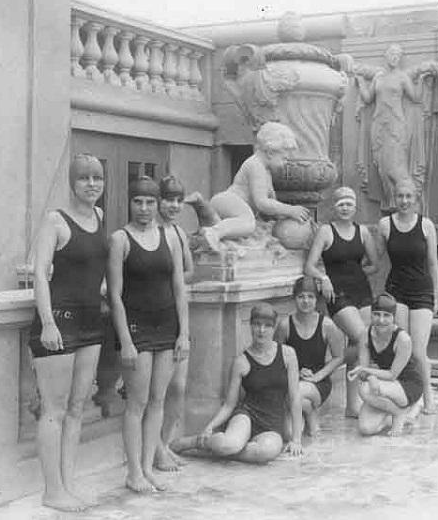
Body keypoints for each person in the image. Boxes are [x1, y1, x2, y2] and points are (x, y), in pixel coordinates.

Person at [28, 154, 107, 511]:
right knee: (53, 410)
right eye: (84, 178)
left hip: (91, 322)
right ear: (72, 183)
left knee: (78, 407)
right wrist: (47, 323)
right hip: (58, 322)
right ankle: (52, 490)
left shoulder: (100, 217)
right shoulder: (54, 221)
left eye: (97, 178)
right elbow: (40, 274)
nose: (92, 184)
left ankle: (67, 484)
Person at [107, 176, 189, 493]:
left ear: (157, 204)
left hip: (167, 326)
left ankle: (146, 467)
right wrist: (125, 340)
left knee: (158, 400)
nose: (144, 208)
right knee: (137, 403)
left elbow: (180, 289)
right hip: (137, 328)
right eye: (138, 201)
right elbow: (115, 296)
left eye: (150, 202)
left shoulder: (170, 237)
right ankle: (133, 473)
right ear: (130, 203)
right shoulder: (120, 240)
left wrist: (185, 333)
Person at [171, 303, 303, 463]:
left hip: (272, 424)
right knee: (228, 445)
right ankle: (196, 441)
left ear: (274, 328)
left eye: (267, 326)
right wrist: (210, 426)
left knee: (265, 453)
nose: (261, 330)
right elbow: (229, 404)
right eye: (257, 325)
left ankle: (204, 451)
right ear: (250, 326)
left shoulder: (288, 354)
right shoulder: (241, 362)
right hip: (246, 416)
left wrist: (296, 439)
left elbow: (295, 398)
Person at [304, 186, 377, 416]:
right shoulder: (326, 231)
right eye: (341, 204)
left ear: (355, 208)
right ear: (334, 208)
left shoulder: (362, 232)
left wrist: (359, 273)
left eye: (349, 204)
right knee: (362, 338)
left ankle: (352, 406)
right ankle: (330, 368)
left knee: (359, 346)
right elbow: (309, 266)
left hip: (362, 292)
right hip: (337, 294)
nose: (345, 208)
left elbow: (375, 264)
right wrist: (323, 277)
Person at [191, 121, 310, 251]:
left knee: (250, 228)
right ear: (270, 152)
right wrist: (290, 210)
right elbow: (262, 203)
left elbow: (270, 206)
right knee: (248, 223)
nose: (286, 163)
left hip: (234, 208)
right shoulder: (255, 165)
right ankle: (213, 233)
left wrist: (283, 215)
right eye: (284, 158)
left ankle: (202, 207)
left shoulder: (266, 172)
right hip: (227, 201)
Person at [376, 178, 438, 414]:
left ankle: (428, 397)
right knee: (404, 347)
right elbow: (377, 260)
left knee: (420, 351)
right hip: (396, 291)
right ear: (394, 198)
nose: (404, 201)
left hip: (422, 290)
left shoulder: (426, 225)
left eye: (408, 196)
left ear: (416, 199)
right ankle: (407, 396)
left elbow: (433, 264)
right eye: (400, 196)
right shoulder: (384, 225)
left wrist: (436, 296)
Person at [155, 175, 195, 471]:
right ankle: (155, 448)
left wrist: (175, 282)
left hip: (176, 314)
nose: (174, 205)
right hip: (152, 317)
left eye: (179, 200)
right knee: (156, 389)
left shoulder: (179, 233)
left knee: (178, 386)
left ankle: (164, 443)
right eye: (169, 199)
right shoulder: (149, 231)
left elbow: (189, 270)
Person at [356, 43, 427, 210]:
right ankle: (391, 206)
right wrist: (360, 82)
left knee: (395, 168)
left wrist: (422, 80)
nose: (395, 58)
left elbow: (416, 97)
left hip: (396, 125)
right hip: (379, 124)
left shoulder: (402, 77)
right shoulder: (378, 77)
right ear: (386, 56)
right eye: (392, 54)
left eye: (398, 55)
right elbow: (367, 99)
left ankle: (411, 204)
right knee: (382, 168)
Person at [274, 276, 344, 436]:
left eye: (310, 297)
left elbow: (339, 357)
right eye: (301, 297)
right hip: (292, 380)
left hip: (318, 383)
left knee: (296, 392)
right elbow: (277, 358)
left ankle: (305, 419)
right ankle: (309, 411)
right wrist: (296, 373)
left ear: (316, 299)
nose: (306, 301)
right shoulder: (285, 326)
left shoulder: (327, 325)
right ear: (294, 299)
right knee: (289, 433)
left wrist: (318, 376)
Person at [348, 293, 424, 436]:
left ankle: (398, 412)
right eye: (376, 314)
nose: (381, 320)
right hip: (383, 385)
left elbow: (392, 374)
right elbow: (364, 373)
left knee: (364, 390)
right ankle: (409, 412)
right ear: (371, 315)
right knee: (366, 429)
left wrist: (367, 372)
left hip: (407, 385)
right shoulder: (366, 334)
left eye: (386, 315)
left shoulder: (403, 339)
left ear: (393, 317)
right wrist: (370, 376)